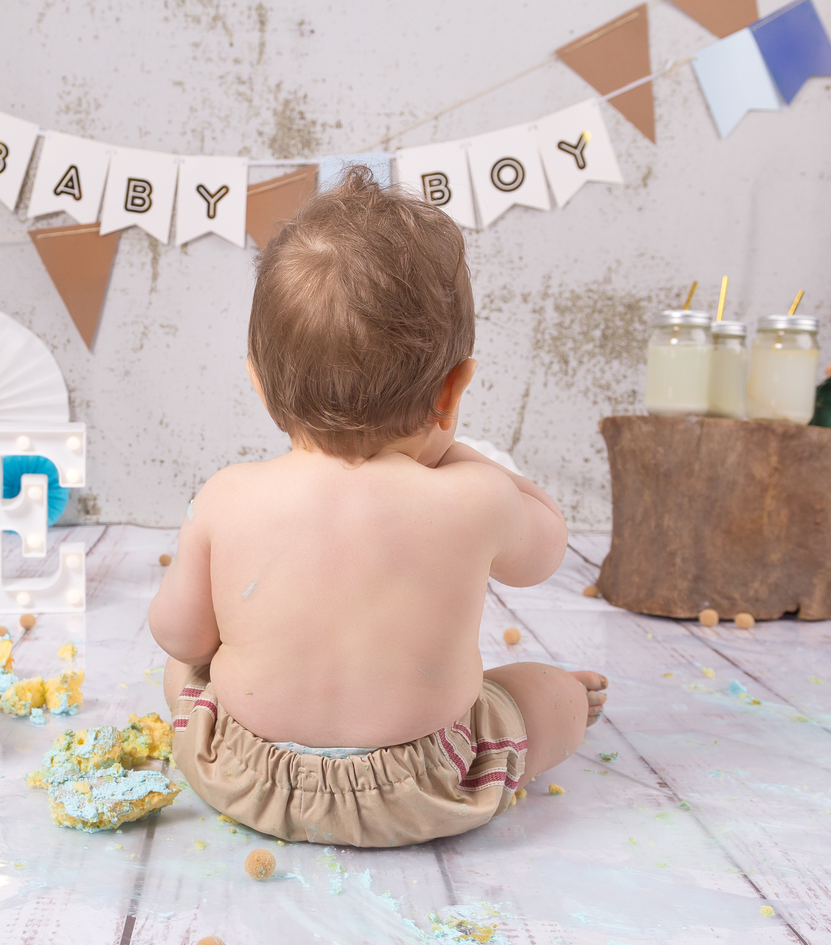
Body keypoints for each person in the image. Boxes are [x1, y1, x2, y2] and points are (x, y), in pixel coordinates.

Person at [148, 168, 606, 848]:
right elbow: (546, 551)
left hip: (246, 774)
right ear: (453, 389)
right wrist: (462, 452)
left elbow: (181, 638)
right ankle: (558, 704)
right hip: (424, 785)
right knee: (546, 695)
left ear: (258, 382)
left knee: (185, 673)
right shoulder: (473, 498)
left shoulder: (227, 495)